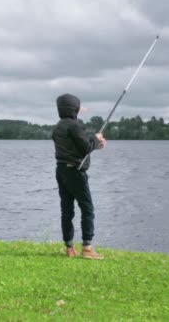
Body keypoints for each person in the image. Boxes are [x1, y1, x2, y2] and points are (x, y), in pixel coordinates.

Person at [52, 93, 106, 259]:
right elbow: (84, 147)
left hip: (61, 170)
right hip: (75, 172)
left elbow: (78, 140)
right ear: (74, 109)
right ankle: (87, 248)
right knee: (87, 208)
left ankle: (69, 247)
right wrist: (96, 142)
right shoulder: (75, 126)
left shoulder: (58, 126)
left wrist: (94, 140)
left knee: (67, 209)